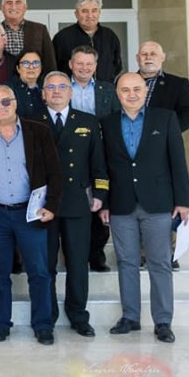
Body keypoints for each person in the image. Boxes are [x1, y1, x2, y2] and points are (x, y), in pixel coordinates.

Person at [100, 73, 189, 344]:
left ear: (145, 92)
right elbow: (103, 167)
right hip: (121, 204)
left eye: (137, 89)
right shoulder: (107, 123)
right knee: (126, 262)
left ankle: (163, 321)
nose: (131, 94)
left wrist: (183, 201)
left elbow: (178, 161)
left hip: (158, 203)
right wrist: (103, 202)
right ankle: (130, 317)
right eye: (125, 90)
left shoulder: (164, 119)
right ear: (118, 94)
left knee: (160, 263)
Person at [0, 84, 63, 345]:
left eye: (5, 102)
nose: (0, 107)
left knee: (40, 271)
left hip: (30, 212)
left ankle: (43, 325)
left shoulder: (39, 132)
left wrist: (52, 206)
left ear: (14, 103)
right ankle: (1, 323)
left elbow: (55, 173)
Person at [39, 71, 108, 337]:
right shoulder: (33, 120)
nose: (56, 91)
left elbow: (98, 163)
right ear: (43, 92)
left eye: (62, 86)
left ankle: (78, 314)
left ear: (70, 91)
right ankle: (47, 315)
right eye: (51, 87)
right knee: (46, 265)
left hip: (77, 201)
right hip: (43, 204)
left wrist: (100, 195)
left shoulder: (88, 122)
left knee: (78, 262)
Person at [67, 45, 120, 272]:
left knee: (101, 201)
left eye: (89, 64)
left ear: (96, 66)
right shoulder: (59, 87)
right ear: (71, 64)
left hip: (100, 154)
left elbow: (116, 122)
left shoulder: (108, 90)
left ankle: (96, 253)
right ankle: (71, 252)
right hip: (69, 154)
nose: (84, 68)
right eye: (80, 63)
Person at [53, 0, 123, 83]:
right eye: (84, 11)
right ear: (76, 14)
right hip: (71, 91)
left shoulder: (110, 36)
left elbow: (117, 65)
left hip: (103, 89)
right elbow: (54, 67)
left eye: (94, 11)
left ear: (99, 13)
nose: (90, 15)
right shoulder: (62, 37)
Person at [137, 40, 189, 132]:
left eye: (153, 54)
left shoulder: (178, 84)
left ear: (163, 57)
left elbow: (188, 114)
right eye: (144, 54)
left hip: (163, 143)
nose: (148, 57)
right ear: (137, 58)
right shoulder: (124, 82)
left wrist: (167, 132)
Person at [0, 0, 57, 71]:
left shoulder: (40, 30)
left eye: (18, 2)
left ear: (25, 7)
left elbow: (49, 62)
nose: (13, 7)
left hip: (33, 81)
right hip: (3, 81)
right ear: (2, 8)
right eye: (9, 3)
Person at [10, 50, 48, 121]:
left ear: (41, 68)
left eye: (36, 63)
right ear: (18, 68)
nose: (31, 67)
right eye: (26, 63)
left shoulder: (48, 86)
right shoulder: (9, 89)